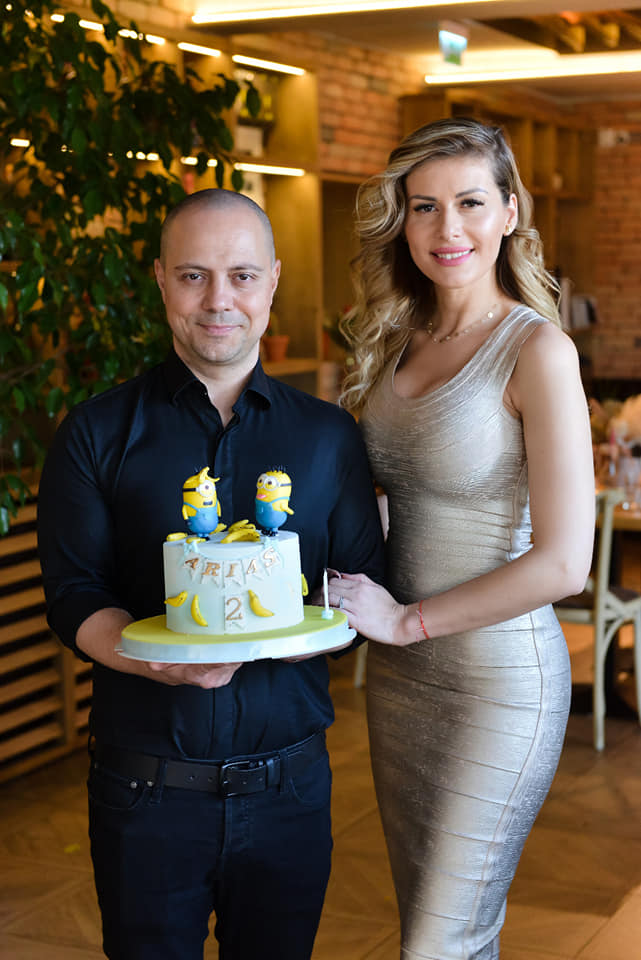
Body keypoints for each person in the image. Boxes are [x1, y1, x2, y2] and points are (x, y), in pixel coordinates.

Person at [37, 188, 384, 960]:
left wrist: (309, 631)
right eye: (194, 275)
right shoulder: (94, 432)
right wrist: (152, 659)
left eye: (241, 275)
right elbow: (72, 593)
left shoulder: (329, 437)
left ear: (273, 280)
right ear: (161, 280)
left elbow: (357, 583)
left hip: (290, 787)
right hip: (144, 789)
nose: (219, 300)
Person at [327, 118, 595, 959]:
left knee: (437, 943)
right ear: (401, 220)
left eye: (471, 203)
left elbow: (564, 563)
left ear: (509, 212)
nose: (448, 229)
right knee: (441, 931)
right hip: (401, 681)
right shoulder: (393, 341)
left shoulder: (537, 350)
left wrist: (406, 620)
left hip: (498, 685)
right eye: (424, 207)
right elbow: (398, 500)